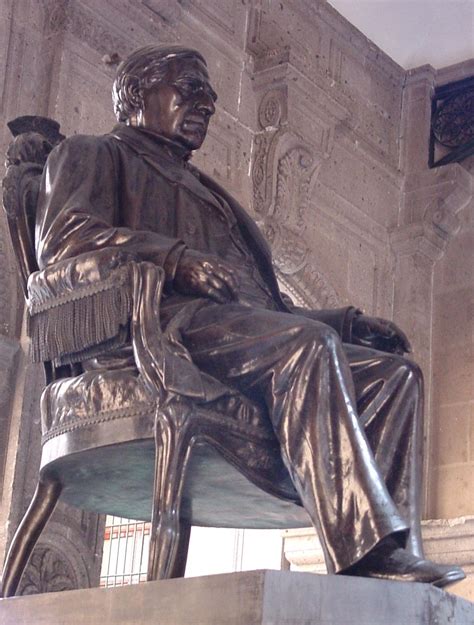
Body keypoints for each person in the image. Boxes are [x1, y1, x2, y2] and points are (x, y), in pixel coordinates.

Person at [35, 45, 464, 587]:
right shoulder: (92, 154)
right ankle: (366, 551)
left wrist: (346, 323)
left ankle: (396, 553)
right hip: (161, 328)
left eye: (209, 91)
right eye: (188, 86)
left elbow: (268, 311)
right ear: (137, 94)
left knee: (396, 376)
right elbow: (66, 241)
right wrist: (175, 259)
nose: (207, 101)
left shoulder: (207, 192)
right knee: (307, 346)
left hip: (235, 334)